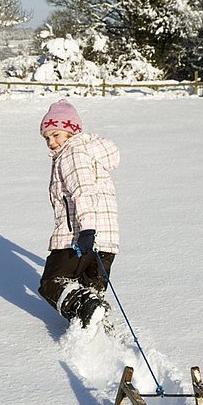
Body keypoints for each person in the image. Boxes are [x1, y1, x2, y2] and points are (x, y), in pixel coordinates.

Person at [38, 99, 120, 329]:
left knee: (52, 283)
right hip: (106, 241)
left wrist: (87, 230)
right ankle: (101, 333)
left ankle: (89, 310)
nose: (51, 142)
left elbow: (83, 191)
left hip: (78, 237)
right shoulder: (87, 153)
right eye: (47, 138)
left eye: (55, 134)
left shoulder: (72, 154)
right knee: (91, 290)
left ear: (71, 131)